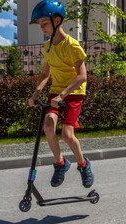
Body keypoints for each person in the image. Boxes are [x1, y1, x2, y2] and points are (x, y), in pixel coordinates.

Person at [28, 0, 94, 188]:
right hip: (56, 92)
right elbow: (45, 74)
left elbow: (82, 76)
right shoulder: (48, 47)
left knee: (66, 134)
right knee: (48, 126)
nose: (42, 28)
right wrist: (36, 94)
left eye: (45, 24)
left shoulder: (72, 45)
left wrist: (62, 95)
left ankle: (83, 165)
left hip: (73, 93)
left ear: (57, 20)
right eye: (40, 25)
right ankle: (61, 164)